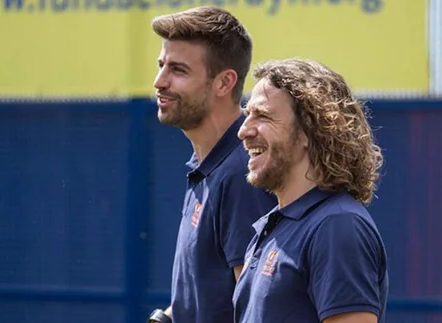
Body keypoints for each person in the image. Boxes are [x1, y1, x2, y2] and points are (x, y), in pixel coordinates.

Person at [146, 6, 277, 323]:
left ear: (224, 83)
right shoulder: (209, 165)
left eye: (178, 70)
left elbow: (257, 308)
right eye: (162, 66)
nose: (159, 82)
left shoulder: (242, 173)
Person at [233, 58, 389, 323]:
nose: (244, 131)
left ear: (309, 130)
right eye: (247, 114)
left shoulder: (337, 225)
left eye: (262, 115)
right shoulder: (272, 228)